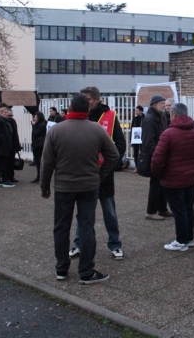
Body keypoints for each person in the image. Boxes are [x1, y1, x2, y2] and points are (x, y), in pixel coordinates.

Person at [40, 94, 118, 284]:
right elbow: (113, 155)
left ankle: (61, 268)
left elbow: (47, 162)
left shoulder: (56, 131)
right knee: (86, 227)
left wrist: (45, 186)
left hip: (64, 187)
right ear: (88, 110)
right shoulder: (97, 130)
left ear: (69, 108)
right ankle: (86, 271)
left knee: (61, 227)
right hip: (89, 186)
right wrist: (100, 175)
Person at [68, 86, 126, 261]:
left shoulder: (110, 116)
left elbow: (120, 144)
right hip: (85, 173)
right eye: (83, 99)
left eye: (89, 99)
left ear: (97, 99)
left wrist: (110, 166)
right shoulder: (78, 117)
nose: (86, 103)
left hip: (104, 174)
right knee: (83, 213)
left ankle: (115, 244)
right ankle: (78, 244)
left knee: (109, 211)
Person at [151, 103, 194, 251]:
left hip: (173, 179)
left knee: (179, 210)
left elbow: (157, 159)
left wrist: (158, 174)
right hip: (191, 176)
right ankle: (189, 238)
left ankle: (181, 240)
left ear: (174, 115)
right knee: (188, 208)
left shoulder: (168, 134)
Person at [142, 95, 173, 220]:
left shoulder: (162, 117)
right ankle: (151, 211)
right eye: (162, 103)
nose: (164, 106)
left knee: (162, 184)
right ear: (154, 104)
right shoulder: (149, 119)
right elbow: (148, 141)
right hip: (155, 156)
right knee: (155, 184)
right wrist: (158, 154)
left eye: (165, 104)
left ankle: (162, 209)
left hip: (162, 155)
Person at [0, 104, 15, 188]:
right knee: (3, 164)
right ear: (1, 113)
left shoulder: (4, 121)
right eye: (5, 112)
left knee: (0, 164)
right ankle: (5, 180)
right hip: (1, 147)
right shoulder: (0, 121)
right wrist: (3, 141)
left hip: (2, 146)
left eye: (7, 112)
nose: (7, 113)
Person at [6, 107, 22, 183]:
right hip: (8, 145)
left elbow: (15, 134)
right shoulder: (6, 122)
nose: (10, 117)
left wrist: (17, 145)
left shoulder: (12, 121)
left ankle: (11, 176)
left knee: (11, 162)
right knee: (8, 162)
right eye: (9, 115)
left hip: (12, 145)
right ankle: (8, 177)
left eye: (11, 115)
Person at [30, 111, 46, 183]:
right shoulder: (38, 124)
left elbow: (36, 133)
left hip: (39, 145)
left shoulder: (41, 125)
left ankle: (40, 177)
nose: (34, 118)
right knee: (38, 162)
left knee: (39, 162)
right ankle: (39, 176)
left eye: (36, 117)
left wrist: (33, 126)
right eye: (34, 117)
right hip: (36, 145)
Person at [130, 105, 145, 173]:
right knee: (135, 153)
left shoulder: (145, 118)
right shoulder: (134, 119)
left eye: (137, 110)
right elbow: (132, 129)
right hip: (135, 139)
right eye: (135, 110)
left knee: (143, 152)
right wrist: (131, 139)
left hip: (142, 138)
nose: (136, 112)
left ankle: (143, 167)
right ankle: (137, 167)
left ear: (141, 111)